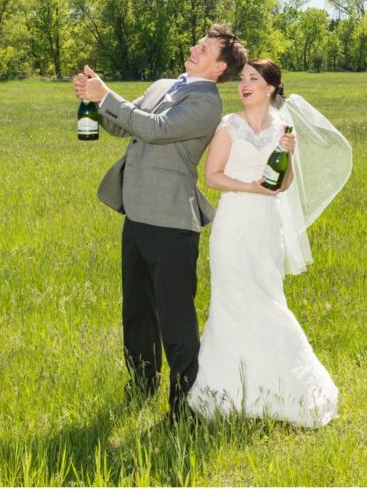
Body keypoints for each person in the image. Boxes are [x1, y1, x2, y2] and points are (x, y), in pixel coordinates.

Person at [73, 25, 273, 425]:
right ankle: (141, 385)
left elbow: (155, 129)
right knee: (137, 314)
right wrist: (92, 97)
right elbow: (122, 123)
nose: (193, 49)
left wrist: (106, 95)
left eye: (204, 48)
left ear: (219, 67)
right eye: (197, 44)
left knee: (175, 321)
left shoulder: (206, 105)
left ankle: (186, 407)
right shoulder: (165, 84)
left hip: (171, 223)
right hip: (136, 214)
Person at [186, 58, 347, 428]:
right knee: (231, 300)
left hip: (266, 228)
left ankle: (287, 387)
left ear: (271, 87)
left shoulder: (283, 130)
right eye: (242, 78)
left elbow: (284, 185)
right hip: (233, 225)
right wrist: (250, 187)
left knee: (268, 300)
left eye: (253, 79)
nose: (244, 84)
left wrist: (288, 154)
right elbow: (212, 176)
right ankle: (225, 390)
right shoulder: (229, 125)